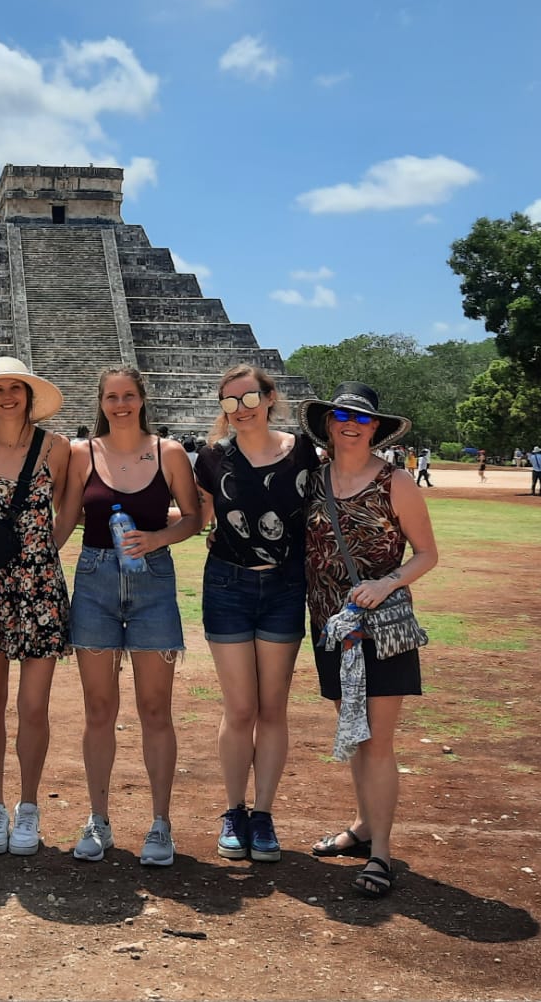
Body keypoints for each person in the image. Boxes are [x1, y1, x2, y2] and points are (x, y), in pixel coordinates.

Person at [301, 383, 440, 900]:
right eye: (341, 415)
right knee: (355, 732)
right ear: (329, 423)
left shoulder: (395, 481)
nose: (352, 424)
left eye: (363, 419)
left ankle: (380, 851)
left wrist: (387, 583)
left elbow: (426, 553)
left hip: (381, 631)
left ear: (376, 428)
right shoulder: (312, 480)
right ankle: (361, 826)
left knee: (378, 742)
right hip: (330, 628)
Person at [60, 366, 201, 867]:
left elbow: (193, 518)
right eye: (111, 397)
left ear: (142, 400)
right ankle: (98, 819)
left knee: (155, 710)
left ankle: (160, 823)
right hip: (95, 577)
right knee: (99, 709)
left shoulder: (170, 452)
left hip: (153, 581)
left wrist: (158, 538)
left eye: (129, 396)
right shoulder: (81, 454)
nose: (120, 404)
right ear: (100, 403)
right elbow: (63, 522)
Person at [193, 363, 320, 864]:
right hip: (227, 582)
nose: (241, 410)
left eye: (249, 399)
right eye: (230, 402)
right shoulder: (210, 459)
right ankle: (234, 809)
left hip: (287, 584)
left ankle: (263, 813)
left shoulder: (304, 451)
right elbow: (197, 517)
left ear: (269, 398)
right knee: (240, 707)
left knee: (273, 707)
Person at [0, 356, 75, 857]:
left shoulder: (57, 447)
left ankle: (28, 806)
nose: (7, 397)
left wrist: (45, 551)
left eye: (15, 389)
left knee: (33, 706)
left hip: (39, 583)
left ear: (29, 396)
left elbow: (67, 507)